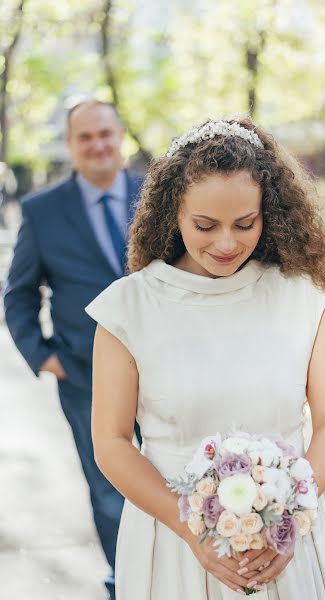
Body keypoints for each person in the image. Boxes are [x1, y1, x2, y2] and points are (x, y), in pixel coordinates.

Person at [85, 117, 325, 599]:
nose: (227, 243)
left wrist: (291, 517)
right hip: (171, 544)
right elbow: (110, 442)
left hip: (285, 547)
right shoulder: (127, 307)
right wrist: (191, 528)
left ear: (268, 213)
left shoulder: (304, 300)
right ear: (173, 212)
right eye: (205, 225)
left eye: (245, 223)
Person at [3, 100, 144, 600]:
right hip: (87, 377)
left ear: (120, 133)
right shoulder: (42, 211)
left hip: (166, 372)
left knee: (179, 475)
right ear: (71, 145)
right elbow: (18, 293)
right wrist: (43, 356)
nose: (98, 145)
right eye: (85, 137)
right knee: (109, 491)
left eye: (105, 133)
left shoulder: (159, 194)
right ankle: (127, 582)